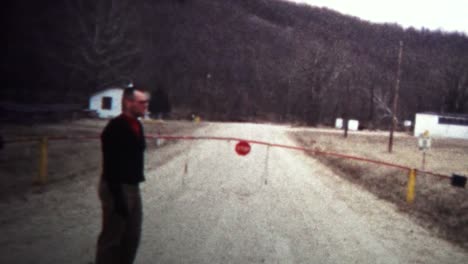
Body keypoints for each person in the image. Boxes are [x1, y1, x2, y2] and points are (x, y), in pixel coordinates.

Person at [96, 87, 149, 264]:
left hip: (133, 186)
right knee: (112, 238)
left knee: (132, 236)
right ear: (128, 103)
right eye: (142, 102)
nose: (146, 105)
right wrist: (118, 197)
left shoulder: (138, 125)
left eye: (146, 102)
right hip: (116, 186)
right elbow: (111, 166)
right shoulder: (115, 128)